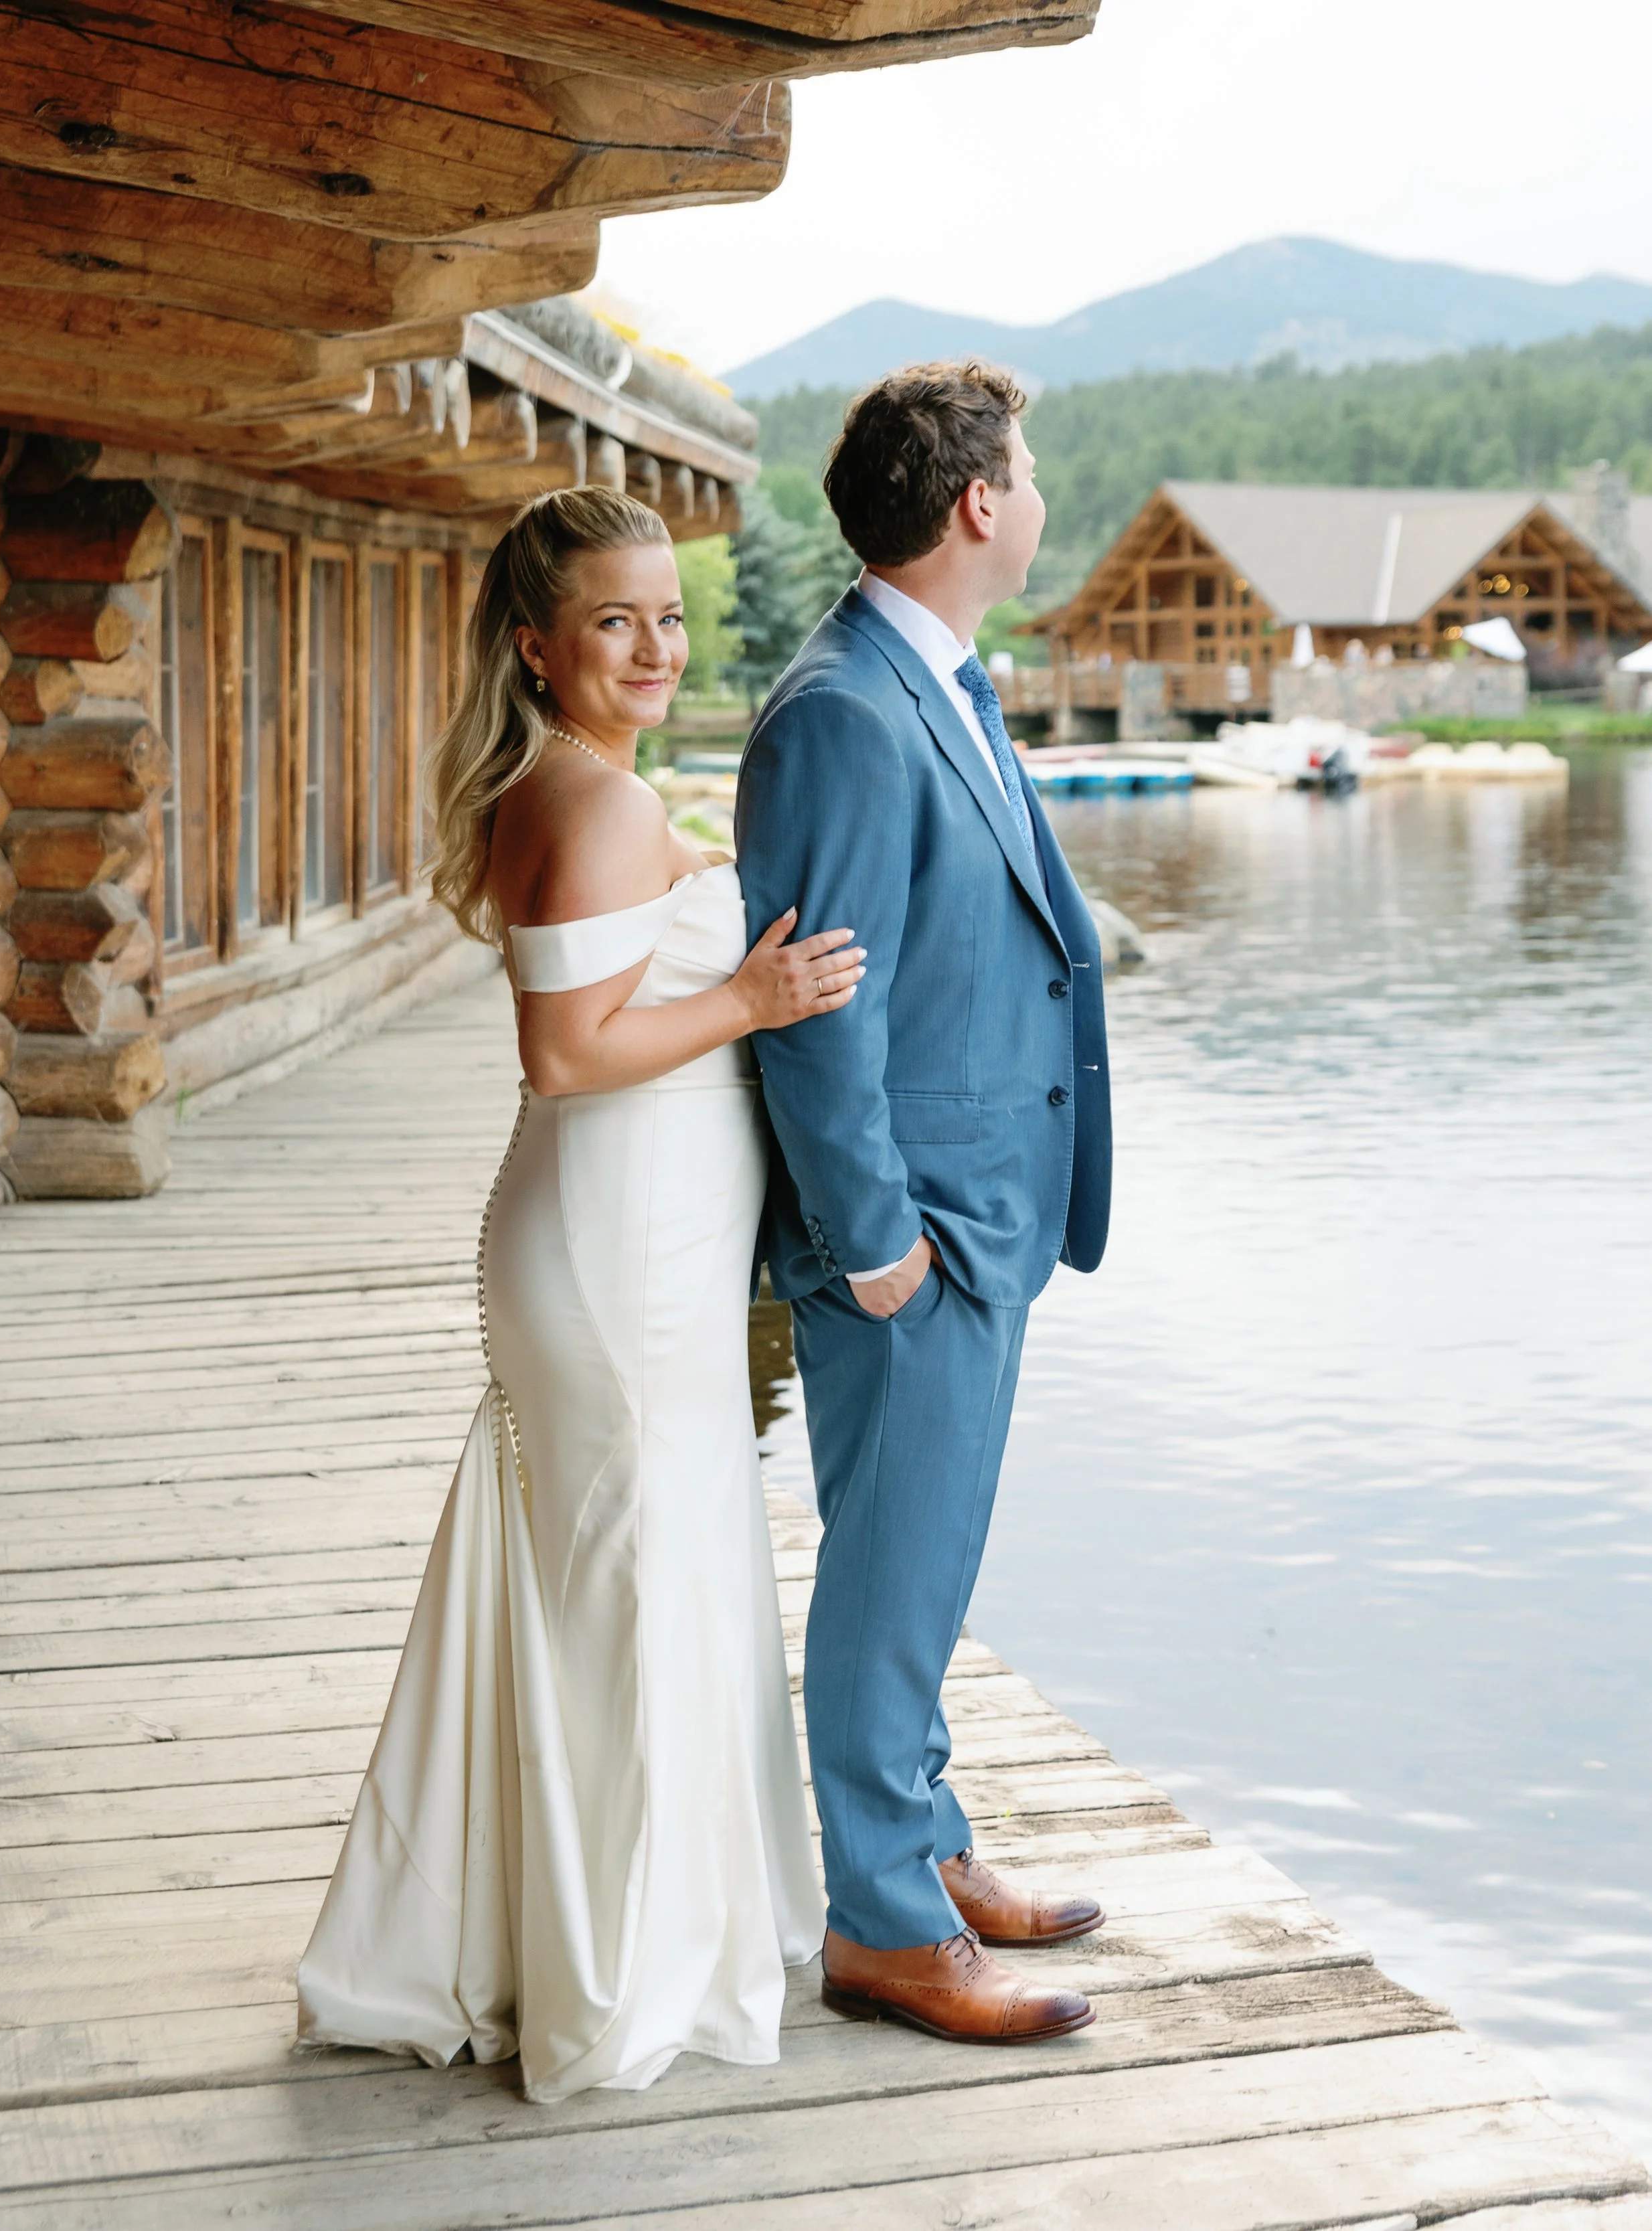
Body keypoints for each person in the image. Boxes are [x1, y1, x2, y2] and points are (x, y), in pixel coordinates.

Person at [297, 487, 854, 2101]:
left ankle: (563, 1923)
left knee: (624, 1577)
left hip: (629, 1238)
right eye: (616, 622)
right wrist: (750, 993)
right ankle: (616, 1959)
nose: (656, 646)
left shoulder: (576, 783)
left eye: (669, 617)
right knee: (635, 1583)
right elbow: (566, 1053)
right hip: (621, 1253)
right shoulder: (588, 800)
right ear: (538, 645)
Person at [735, 361, 1114, 2045]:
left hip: (983, 1213)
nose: (1036, 496)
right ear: (974, 502)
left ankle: (927, 1840)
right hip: (916, 1234)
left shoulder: (933, 677)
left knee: (926, 1562)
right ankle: (884, 1922)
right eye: (1024, 472)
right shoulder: (839, 708)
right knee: (890, 1575)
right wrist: (873, 1238)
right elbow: (823, 1006)